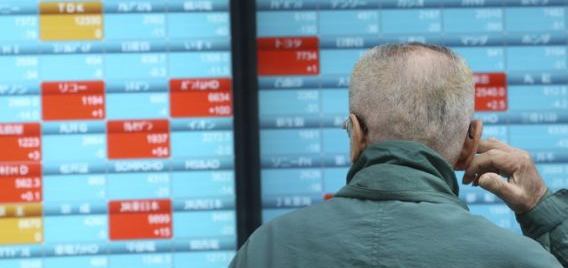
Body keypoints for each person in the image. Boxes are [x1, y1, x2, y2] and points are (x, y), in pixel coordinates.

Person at [230, 43, 568, 267]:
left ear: (356, 134)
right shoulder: (520, 260)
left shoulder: (265, 250)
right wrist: (543, 210)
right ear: (471, 142)